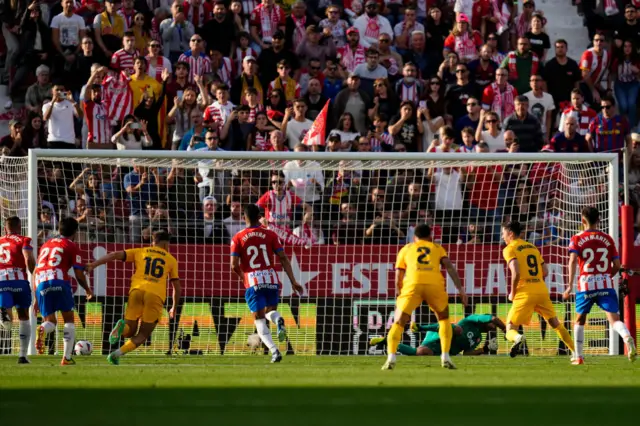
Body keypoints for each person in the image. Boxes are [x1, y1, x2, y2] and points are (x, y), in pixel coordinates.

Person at [86, 230, 180, 365]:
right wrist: (174, 307)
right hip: (155, 295)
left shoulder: (140, 251)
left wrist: (93, 264)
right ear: (166, 244)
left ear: (153, 242)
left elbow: (114, 255)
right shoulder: (171, 259)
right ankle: (116, 354)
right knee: (143, 335)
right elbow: (176, 287)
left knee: (128, 331)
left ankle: (120, 333)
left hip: (136, 291)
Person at [381, 224, 467, 370]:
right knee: (444, 320)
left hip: (412, 285)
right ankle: (445, 356)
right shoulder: (437, 248)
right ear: (430, 236)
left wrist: (399, 293)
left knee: (399, 322)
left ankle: (391, 358)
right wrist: (460, 289)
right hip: (434, 285)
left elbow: (398, 275)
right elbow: (449, 267)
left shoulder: (406, 249)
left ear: (414, 237)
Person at [230, 204, 304, 363]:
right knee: (270, 312)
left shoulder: (238, 237)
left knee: (259, 320)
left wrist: (243, 277)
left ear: (244, 217)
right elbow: (283, 257)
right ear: (259, 217)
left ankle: (274, 351)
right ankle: (278, 320)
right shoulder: (270, 234)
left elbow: (234, 265)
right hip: (271, 279)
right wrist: (293, 281)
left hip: (253, 281)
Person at [564, 206, 637, 365]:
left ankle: (579, 357)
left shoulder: (576, 238)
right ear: (599, 220)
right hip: (605, 283)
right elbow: (617, 265)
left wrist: (569, 285)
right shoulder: (608, 239)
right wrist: (605, 277)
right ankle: (626, 337)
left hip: (586, 285)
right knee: (614, 319)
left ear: (583, 220)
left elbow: (572, 261)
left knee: (580, 320)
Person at [501, 220, 575, 358]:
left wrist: (512, 292)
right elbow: (545, 271)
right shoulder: (532, 247)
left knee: (510, 328)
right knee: (555, 323)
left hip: (524, 293)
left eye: (503, 233)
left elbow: (516, 273)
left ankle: (518, 338)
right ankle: (576, 353)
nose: (502, 237)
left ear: (510, 234)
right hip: (541, 290)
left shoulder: (509, 249)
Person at [34, 217, 93, 365]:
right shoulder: (72, 246)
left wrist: (36, 297)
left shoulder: (46, 245)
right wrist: (87, 289)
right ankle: (66, 358)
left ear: (59, 230)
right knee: (68, 319)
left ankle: (42, 328)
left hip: (41, 282)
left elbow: (36, 270)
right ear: (75, 232)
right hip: (59, 280)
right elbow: (79, 274)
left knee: (51, 322)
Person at [370, 314, 505, 356]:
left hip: (444, 350)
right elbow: (493, 319)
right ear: (483, 321)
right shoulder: (470, 320)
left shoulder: (478, 338)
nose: (493, 327)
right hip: (437, 336)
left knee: (420, 353)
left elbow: (467, 353)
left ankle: (386, 342)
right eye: (492, 325)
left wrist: (484, 350)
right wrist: (505, 329)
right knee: (457, 330)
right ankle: (420, 327)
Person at [0, 217, 36, 364]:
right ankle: (22, 356)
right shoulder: (24, 239)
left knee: (8, 322)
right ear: (20, 227)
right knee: (23, 316)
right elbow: (28, 258)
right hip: (19, 281)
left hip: (1, 280)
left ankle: (4, 314)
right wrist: (33, 273)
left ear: (5, 228)